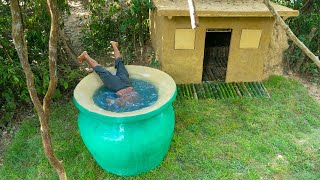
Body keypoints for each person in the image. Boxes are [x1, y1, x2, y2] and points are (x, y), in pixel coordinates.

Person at [78, 41, 137, 106]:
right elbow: (109, 100)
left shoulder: (135, 98)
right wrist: (111, 100)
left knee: (119, 62)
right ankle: (86, 55)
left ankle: (114, 45)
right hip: (116, 85)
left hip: (126, 81)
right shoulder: (127, 103)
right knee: (101, 70)